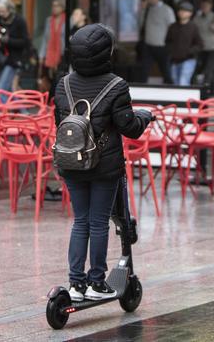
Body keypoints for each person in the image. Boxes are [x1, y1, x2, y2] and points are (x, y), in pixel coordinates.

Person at [53, 24, 151, 301]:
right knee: (98, 223)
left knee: (80, 221)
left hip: (71, 162)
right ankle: (97, 282)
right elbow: (129, 127)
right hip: (104, 166)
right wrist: (144, 116)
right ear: (106, 53)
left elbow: (60, 124)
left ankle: (76, 284)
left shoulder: (63, 83)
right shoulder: (116, 85)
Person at [0, 0, 29, 102]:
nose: (1, 14)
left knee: (2, 90)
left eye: (3, 12)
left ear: (10, 9)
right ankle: (20, 111)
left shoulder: (19, 21)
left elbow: (25, 42)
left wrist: (7, 40)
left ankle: (4, 114)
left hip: (13, 59)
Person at [138, 0, 175, 84]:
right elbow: (140, 25)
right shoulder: (147, 9)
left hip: (162, 46)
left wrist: (169, 44)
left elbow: (172, 28)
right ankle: (141, 94)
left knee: (166, 72)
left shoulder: (167, 10)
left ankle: (171, 94)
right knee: (143, 71)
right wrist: (142, 10)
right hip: (148, 45)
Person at [165, 1, 203, 86]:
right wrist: (172, 52)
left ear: (190, 13)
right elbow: (167, 41)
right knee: (175, 82)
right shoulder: (173, 26)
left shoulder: (193, 27)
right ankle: (178, 99)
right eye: (180, 10)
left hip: (188, 60)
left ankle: (184, 100)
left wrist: (188, 51)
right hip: (174, 60)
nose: (182, 13)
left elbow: (199, 45)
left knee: (183, 82)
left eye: (185, 11)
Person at [38, 0, 66, 90]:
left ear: (62, 8)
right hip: (49, 54)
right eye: (53, 6)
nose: (54, 8)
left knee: (59, 78)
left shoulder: (68, 20)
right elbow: (45, 39)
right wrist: (42, 55)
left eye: (57, 6)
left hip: (62, 54)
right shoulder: (49, 20)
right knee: (49, 79)